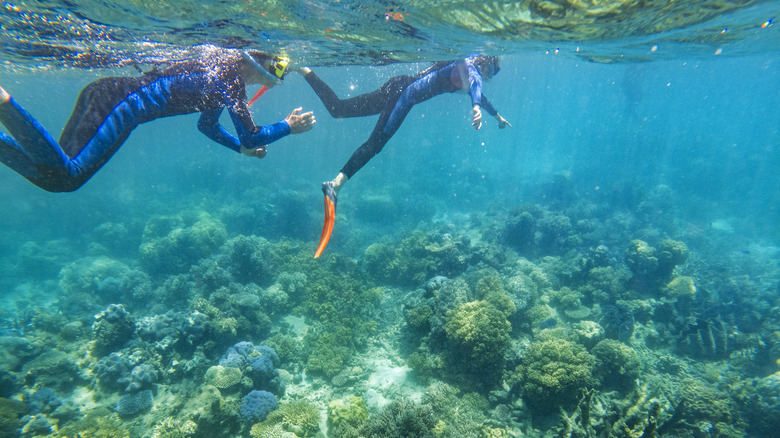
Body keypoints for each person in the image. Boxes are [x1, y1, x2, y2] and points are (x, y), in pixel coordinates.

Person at [0, 46, 316, 192]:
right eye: (279, 67)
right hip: (118, 104)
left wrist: (240, 150)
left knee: (57, 176)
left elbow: (207, 125)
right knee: (65, 177)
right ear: (258, 59)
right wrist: (288, 127)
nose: (280, 75)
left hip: (111, 99)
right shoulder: (229, 74)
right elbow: (252, 135)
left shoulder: (225, 76)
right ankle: (4, 104)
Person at [295, 55, 511, 257]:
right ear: (484, 61)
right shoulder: (469, 68)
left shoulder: (467, 72)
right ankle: (334, 186)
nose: (490, 76)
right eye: (492, 70)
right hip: (403, 93)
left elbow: (479, 94)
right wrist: (475, 108)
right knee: (375, 145)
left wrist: (497, 116)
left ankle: (304, 70)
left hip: (398, 86)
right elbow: (475, 86)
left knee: (339, 109)